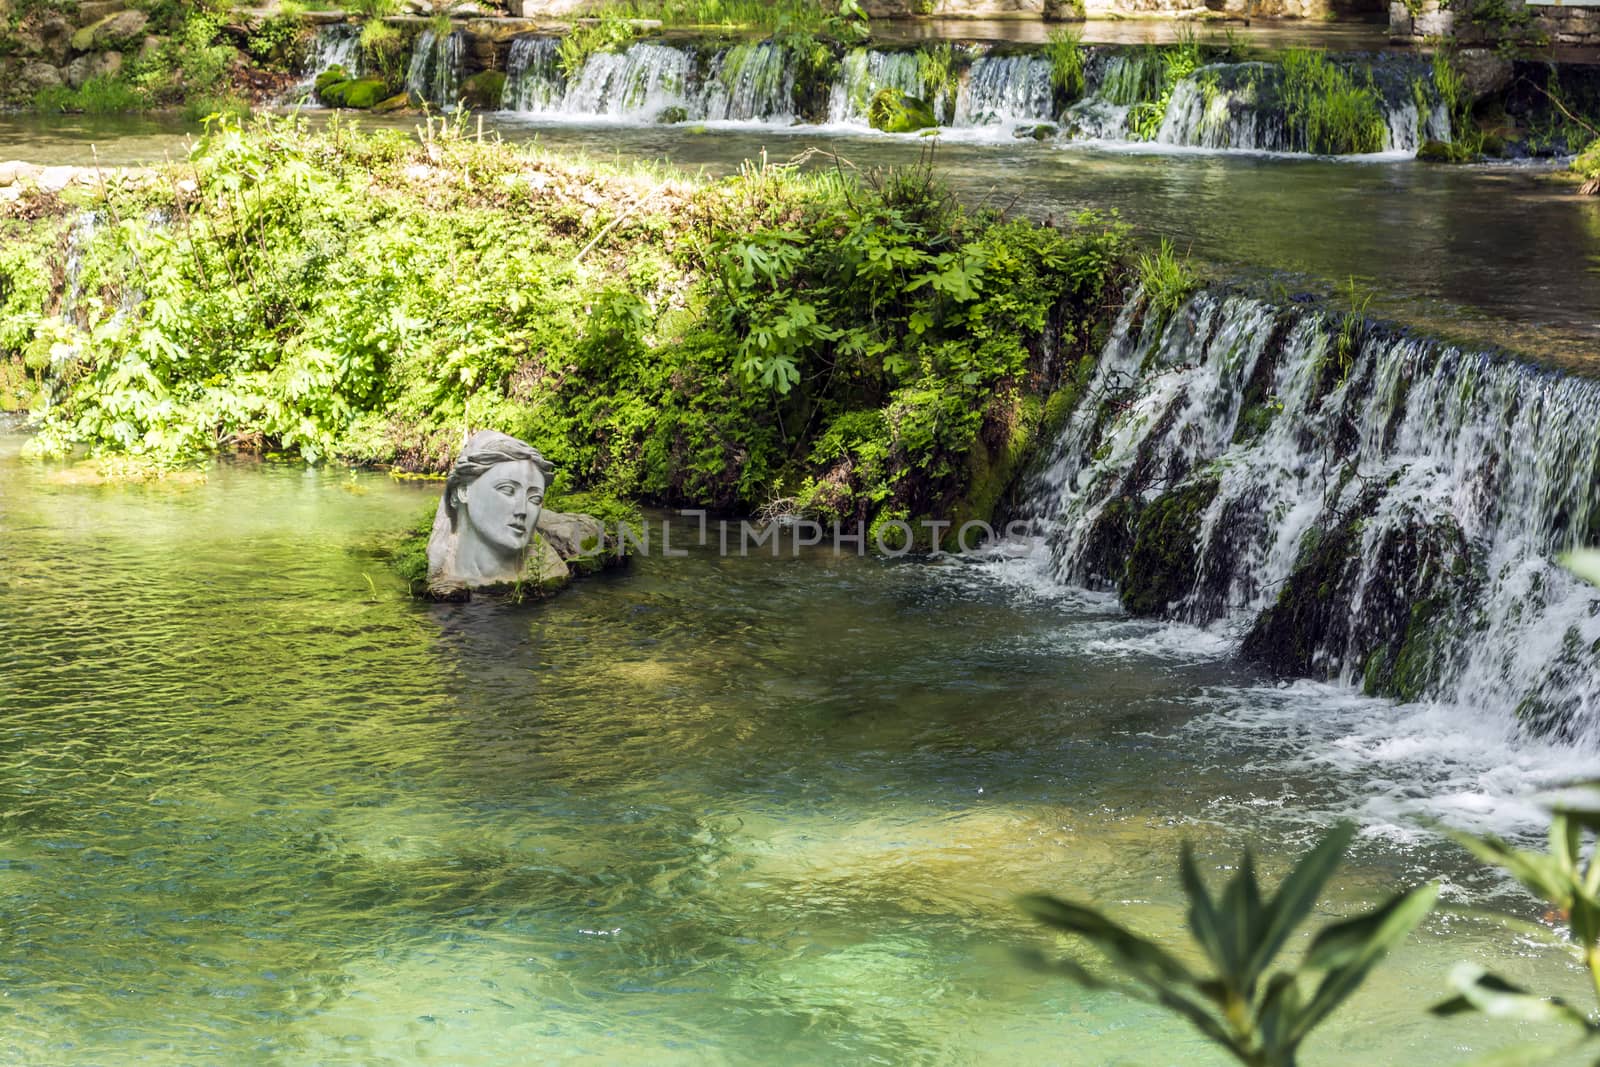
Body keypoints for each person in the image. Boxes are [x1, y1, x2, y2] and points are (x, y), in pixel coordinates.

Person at [427, 430, 554, 589]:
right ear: (464, 491)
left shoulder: (548, 574)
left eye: (534, 499)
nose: (522, 510)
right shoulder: (446, 566)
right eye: (507, 490)